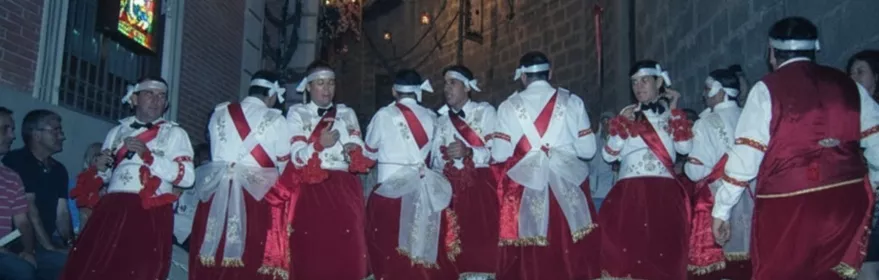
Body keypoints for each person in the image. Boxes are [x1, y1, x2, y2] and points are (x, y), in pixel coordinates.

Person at [711, 17, 879, 279]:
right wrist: (871, 184)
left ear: (771, 53)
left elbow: (746, 156)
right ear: (814, 48)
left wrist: (722, 209)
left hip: (788, 204)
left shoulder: (767, 89)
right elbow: (876, 142)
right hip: (846, 199)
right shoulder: (851, 86)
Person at [62, 76, 195, 280]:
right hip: (113, 208)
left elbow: (187, 177)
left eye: (161, 96)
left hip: (148, 209)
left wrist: (149, 158)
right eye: (149, 94)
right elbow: (107, 176)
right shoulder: (116, 131)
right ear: (134, 99)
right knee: (97, 267)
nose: (156, 100)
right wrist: (99, 168)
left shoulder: (175, 134)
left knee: (138, 270)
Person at [491, 51, 600, 280]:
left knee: (532, 252)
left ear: (522, 77)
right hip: (568, 185)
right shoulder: (573, 101)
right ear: (550, 73)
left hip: (527, 188)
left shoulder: (509, 106)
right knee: (571, 246)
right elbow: (588, 150)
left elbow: (500, 155)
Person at [270, 61, 372, 280]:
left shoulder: (347, 113)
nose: (327, 89)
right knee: (312, 251)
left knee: (348, 247)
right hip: (311, 190)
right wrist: (318, 144)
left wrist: (354, 150)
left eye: (331, 83)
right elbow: (296, 156)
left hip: (345, 189)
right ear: (308, 86)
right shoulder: (297, 114)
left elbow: (360, 148)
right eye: (320, 83)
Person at [188, 70, 291, 280]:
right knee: (250, 259)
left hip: (216, 196)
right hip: (255, 199)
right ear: (272, 95)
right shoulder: (277, 120)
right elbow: (284, 164)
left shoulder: (218, 112)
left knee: (212, 254)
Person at [599, 60, 693, 279]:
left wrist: (675, 110)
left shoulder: (672, 115)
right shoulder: (627, 113)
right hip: (631, 191)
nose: (638, 87)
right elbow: (608, 155)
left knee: (663, 251)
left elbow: (685, 147)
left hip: (663, 193)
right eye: (634, 82)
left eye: (644, 81)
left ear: (659, 81)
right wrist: (621, 127)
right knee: (627, 250)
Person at [363, 69, 457, 279]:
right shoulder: (433, 117)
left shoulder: (383, 115)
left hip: (390, 192)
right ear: (418, 92)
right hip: (424, 191)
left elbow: (368, 153)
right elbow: (438, 158)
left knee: (390, 250)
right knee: (422, 249)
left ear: (394, 91)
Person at [430, 65, 499, 279]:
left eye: (453, 82)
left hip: (479, 189)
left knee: (478, 247)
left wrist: (469, 151)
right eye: (445, 83)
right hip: (448, 192)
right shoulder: (440, 121)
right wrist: (443, 158)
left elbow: (496, 152)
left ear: (467, 87)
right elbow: (433, 161)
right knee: (448, 251)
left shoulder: (485, 112)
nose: (447, 88)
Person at [685, 67, 752, 280]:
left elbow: (696, 172)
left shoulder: (705, 124)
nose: (704, 94)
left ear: (719, 91)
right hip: (754, 198)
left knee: (721, 269)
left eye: (707, 89)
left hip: (717, 200)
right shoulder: (749, 117)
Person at [2, 109, 70, 279]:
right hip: (15, 244)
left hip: (40, 244)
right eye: (56, 130)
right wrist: (45, 247)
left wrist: (71, 244)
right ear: (36, 135)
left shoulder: (59, 170)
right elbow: (30, 212)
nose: (62, 136)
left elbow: (62, 214)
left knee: (79, 261)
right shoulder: (16, 161)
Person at [0, 107, 42, 280]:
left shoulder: (12, 178)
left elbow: (23, 222)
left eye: (12, 129)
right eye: (4, 129)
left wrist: (28, 251)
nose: (12, 136)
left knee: (26, 269)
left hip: (3, 252)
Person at [848, 49, 879, 280]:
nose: (854, 79)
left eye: (861, 72)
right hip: (862, 206)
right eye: (851, 74)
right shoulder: (848, 117)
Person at [69, 143, 103, 234]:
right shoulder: (78, 182)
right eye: (97, 157)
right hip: (79, 231)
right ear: (88, 160)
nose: (101, 160)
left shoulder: (112, 184)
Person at [589, 111, 617, 211]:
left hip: (613, 192)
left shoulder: (620, 141)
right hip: (595, 192)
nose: (607, 123)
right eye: (604, 121)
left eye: (609, 121)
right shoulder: (594, 141)